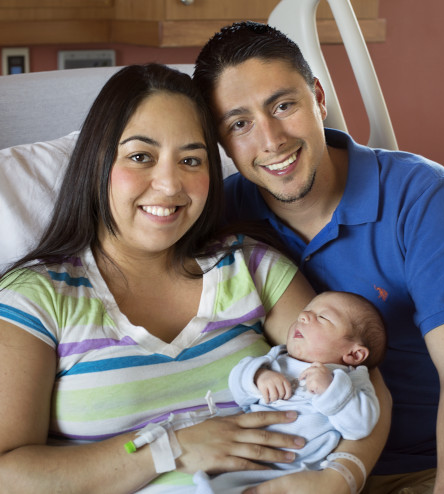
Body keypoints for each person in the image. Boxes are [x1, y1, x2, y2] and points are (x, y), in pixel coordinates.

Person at [0, 63, 388, 494]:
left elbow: (361, 378)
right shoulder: (36, 299)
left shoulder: (249, 267)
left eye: (190, 160)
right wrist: (170, 449)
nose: (169, 184)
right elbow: (7, 473)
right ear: (97, 161)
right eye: (140, 156)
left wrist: (341, 477)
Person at [193, 20, 444, 494]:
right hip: (290, 472)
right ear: (222, 142)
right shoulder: (222, 214)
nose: (271, 139)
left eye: (283, 105)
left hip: (424, 467)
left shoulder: (423, 198)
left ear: (318, 97)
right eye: (240, 123)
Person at [193, 291, 386, 493]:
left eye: (322, 317)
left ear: (354, 354)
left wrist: (330, 389)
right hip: (247, 458)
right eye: (306, 310)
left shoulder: (351, 380)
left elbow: (359, 427)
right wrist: (258, 377)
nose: (303, 316)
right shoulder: (277, 357)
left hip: (299, 471)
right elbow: (238, 384)